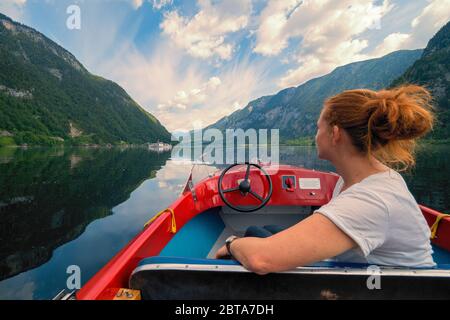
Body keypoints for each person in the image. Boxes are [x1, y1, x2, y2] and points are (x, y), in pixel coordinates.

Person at [215, 85, 436, 275]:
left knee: (252, 238)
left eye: (318, 128)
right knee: (265, 229)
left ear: (335, 134)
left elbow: (261, 260)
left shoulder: (371, 199)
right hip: (360, 274)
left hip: (387, 291)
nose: (315, 135)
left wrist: (231, 243)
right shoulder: (365, 179)